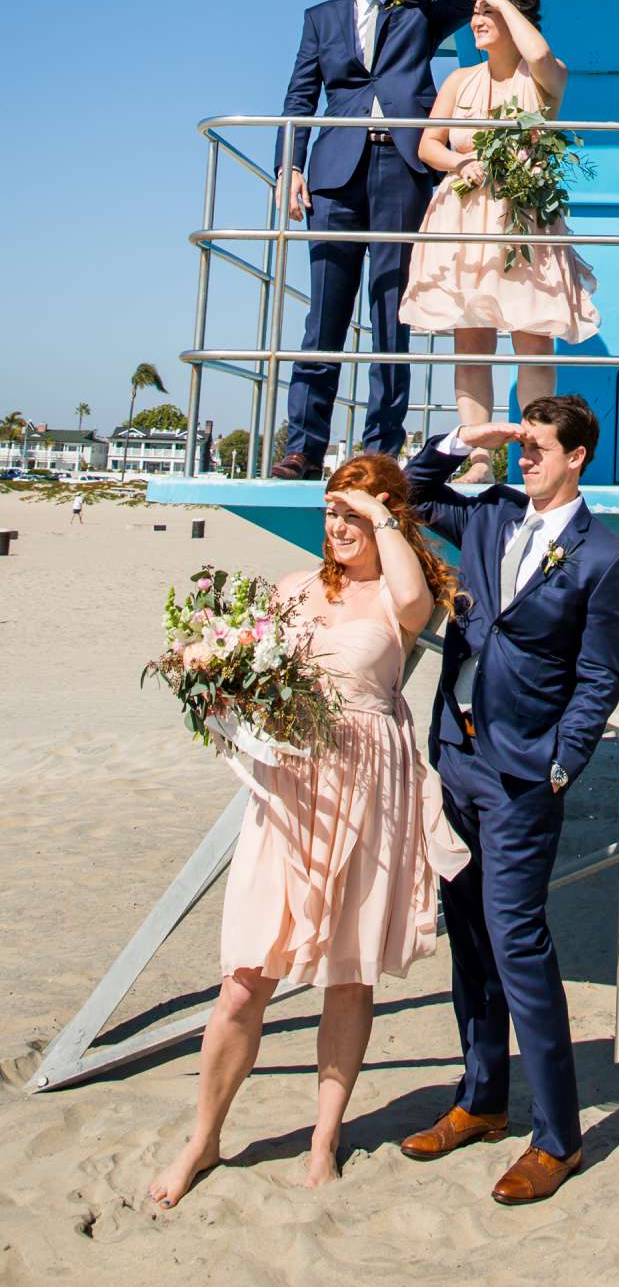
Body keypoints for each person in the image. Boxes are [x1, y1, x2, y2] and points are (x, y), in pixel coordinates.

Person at [148, 441, 475, 1208]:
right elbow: (257, 673)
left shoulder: (405, 596)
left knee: (349, 976)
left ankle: (324, 1136)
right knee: (242, 982)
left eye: (352, 515)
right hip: (289, 791)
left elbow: (411, 599)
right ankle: (205, 1136)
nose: (338, 527)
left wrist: (379, 515)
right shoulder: (295, 588)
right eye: (331, 512)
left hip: (369, 791)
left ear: (386, 518)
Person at [399, 396, 619, 1207]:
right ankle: (482, 1098)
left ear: (576, 457)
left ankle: (559, 1138)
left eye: (538, 446)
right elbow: (411, 492)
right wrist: (469, 438)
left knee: (518, 944)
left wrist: (562, 765)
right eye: (522, 443)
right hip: (456, 758)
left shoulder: (607, 559)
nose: (525, 456)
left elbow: (601, 676)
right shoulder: (492, 515)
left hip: (524, 777)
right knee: (466, 933)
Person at [272, 0, 476, 480]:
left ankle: (379, 449)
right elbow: (299, 98)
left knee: (391, 314)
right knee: (325, 315)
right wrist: (290, 166)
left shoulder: (418, 9)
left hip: (400, 169)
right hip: (335, 176)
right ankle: (303, 446)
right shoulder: (321, 19)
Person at [401, 0, 600, 476]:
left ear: (515, 18)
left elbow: (541, 54)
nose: (477, 20)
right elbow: (429, 145)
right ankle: (478, 457)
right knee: (471, 340)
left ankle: (536, 453)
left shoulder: (542, 80)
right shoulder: (458, 80)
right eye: (475, 11)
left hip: (522, 221)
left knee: (533, 339)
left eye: (488, 12)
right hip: (463, 217)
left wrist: (503, 6)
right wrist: (457, 162)